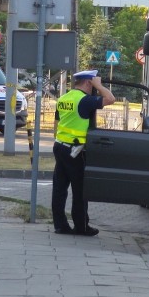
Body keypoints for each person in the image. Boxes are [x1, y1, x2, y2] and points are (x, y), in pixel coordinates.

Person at [52, 69, 116, 235]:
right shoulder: (84, 100)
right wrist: (100, 86)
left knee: (59, 188)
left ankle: (60, 225)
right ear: (89, 82)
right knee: (80, 190)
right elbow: (111, 99)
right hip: (76, 150)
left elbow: (56, 124)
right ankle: (81, 227)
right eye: (93, 82)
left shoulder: (64, 98)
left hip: (60, 146)